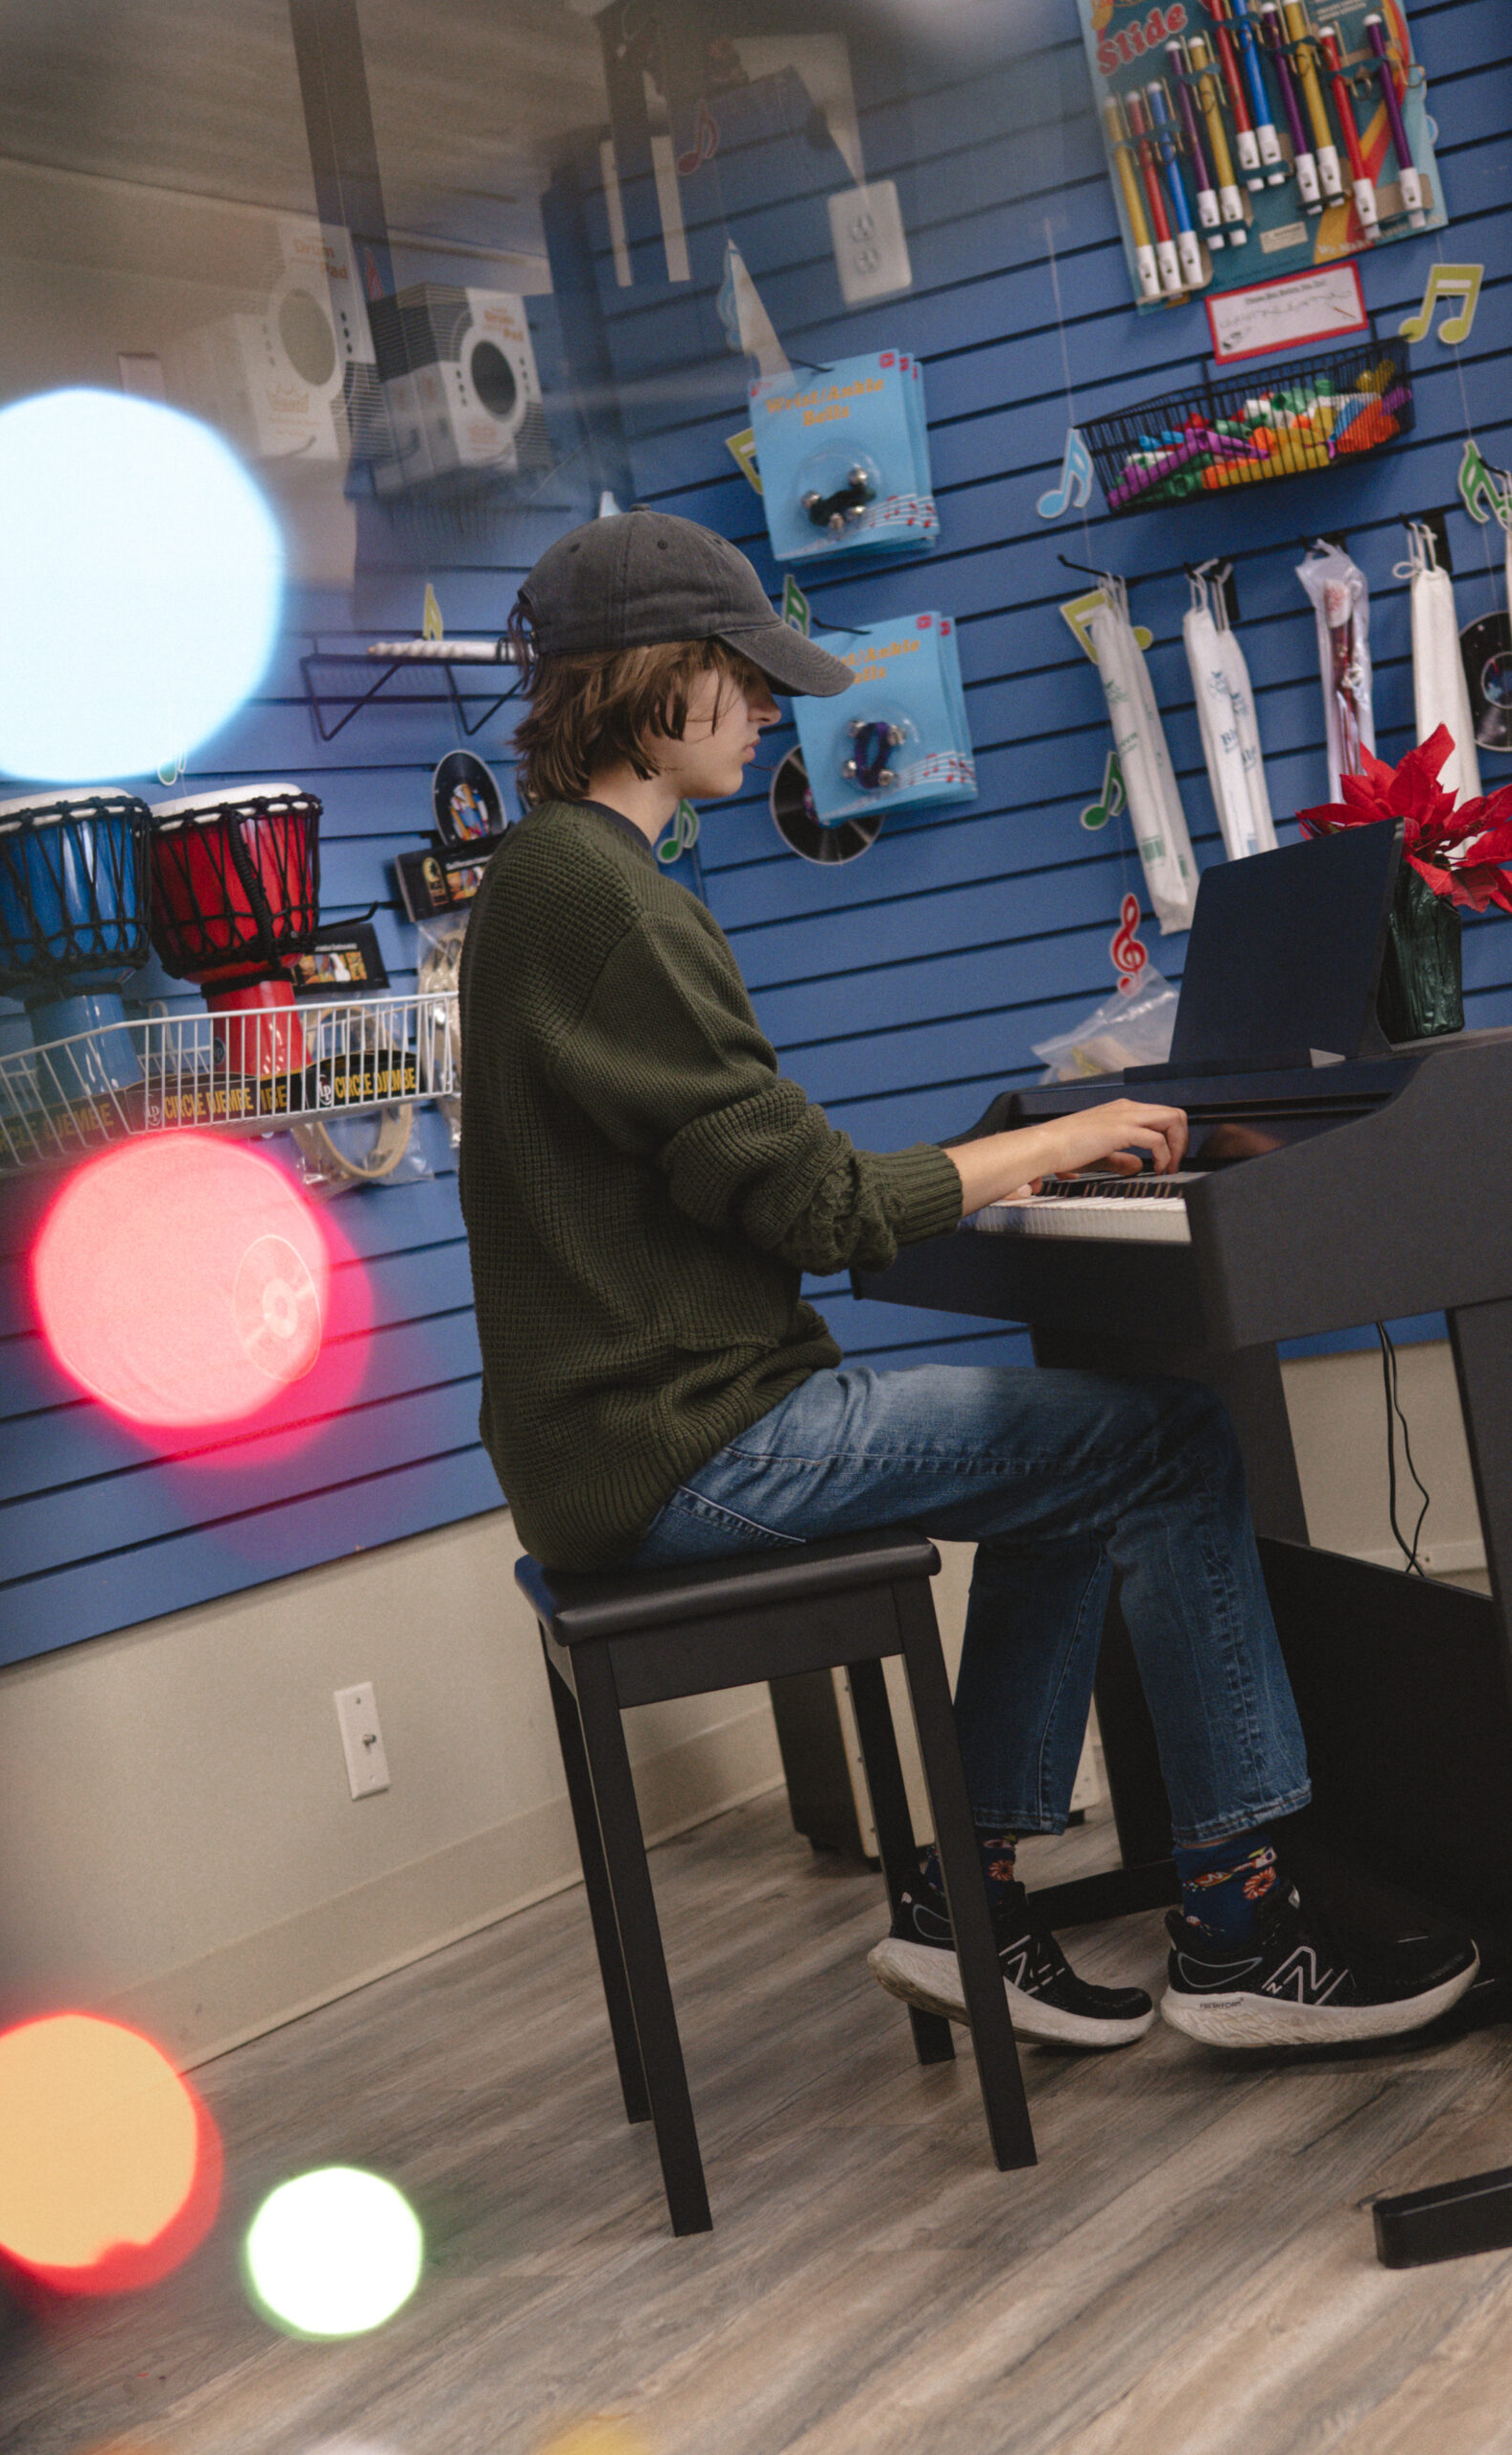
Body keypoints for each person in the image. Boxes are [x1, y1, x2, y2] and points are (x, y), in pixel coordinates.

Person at [458, 509, 1477, 2053]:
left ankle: (973, 1902)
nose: (766, 711)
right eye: (743, 679)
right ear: (660, 686)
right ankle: (1237, 1926)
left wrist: (1029, 1161)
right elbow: (814, 1207)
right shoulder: (604, 897)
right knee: (1158, 1441)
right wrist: (1056, 1142)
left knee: (1070, 1450)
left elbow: (755, 1172)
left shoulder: (560, 882)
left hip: (630, 1432)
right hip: (681, 1443)